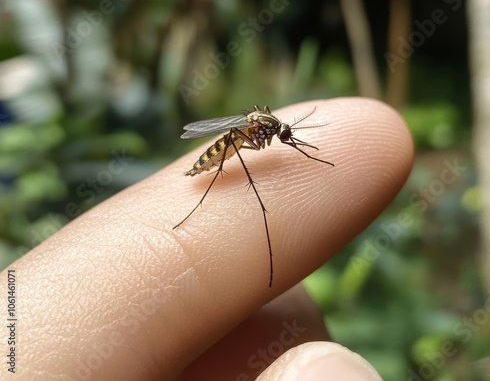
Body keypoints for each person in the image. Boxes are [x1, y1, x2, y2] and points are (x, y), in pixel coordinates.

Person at [1, 98, 413, 380]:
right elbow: (248, 129)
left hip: (234, 138)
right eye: (282, 134)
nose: (282, 138)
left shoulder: (271, 127)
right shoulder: (256, 130)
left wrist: (296, 141)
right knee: (236, 145)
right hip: (217, 156)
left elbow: (270, 127)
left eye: (282, 134)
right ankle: (210, 203)